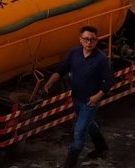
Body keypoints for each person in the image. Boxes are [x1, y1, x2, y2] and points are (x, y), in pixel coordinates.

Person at [42, 26, 114, 168]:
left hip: (90, 101)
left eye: (92, 40)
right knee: (89, 123)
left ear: (96, 41)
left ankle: (70, 163)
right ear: (80, 40)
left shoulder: (101, 60)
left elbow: (110, 80)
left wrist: (97, 97)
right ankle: (101, 147)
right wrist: (49, 82)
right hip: (76, 98)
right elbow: (62, 69)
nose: (89, 42)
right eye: (86, 39)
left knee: (79, 131)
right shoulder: (74, 53)